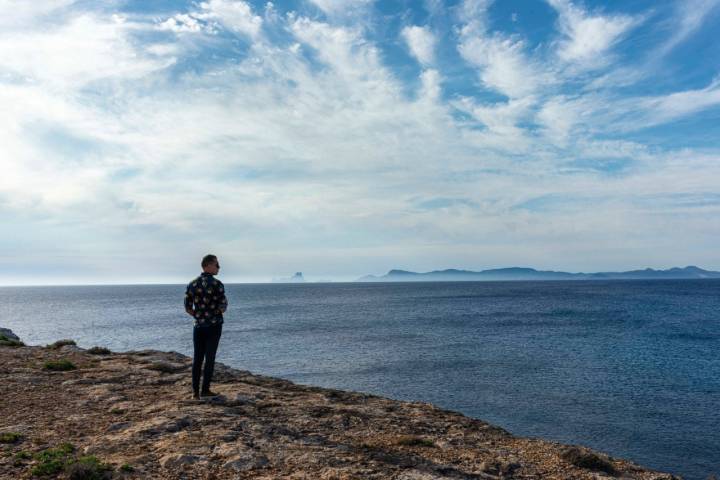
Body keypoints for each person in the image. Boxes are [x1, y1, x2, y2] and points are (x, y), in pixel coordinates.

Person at [184, 254, 228, 399]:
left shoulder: (192, 284)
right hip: (214, 326)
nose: (218, 267)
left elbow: (188, 307)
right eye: (216, 264)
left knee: (197, 358)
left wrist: (199, 316)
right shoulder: (217, 284)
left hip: (198, 326)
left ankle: (195, 393)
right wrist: (213, 313)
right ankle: (205, 390)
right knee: (209, 358)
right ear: (208, 265)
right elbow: (223, 306)